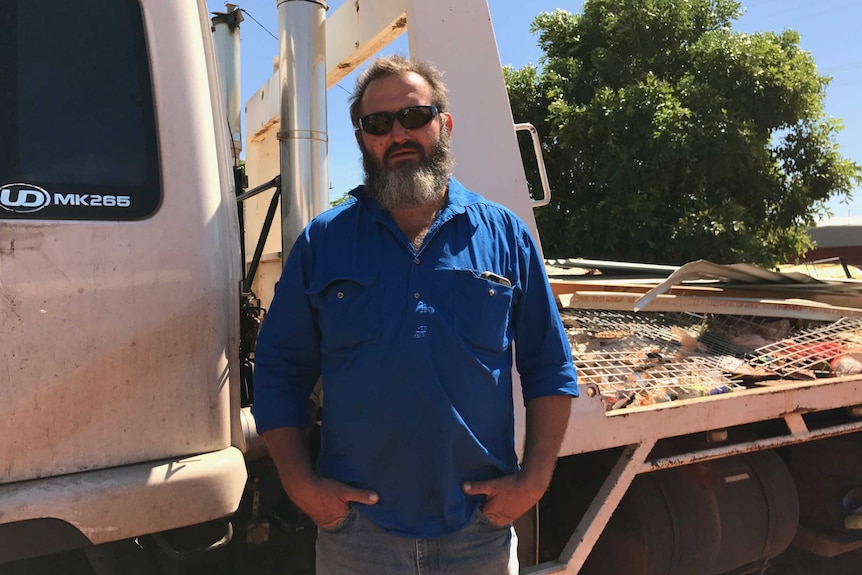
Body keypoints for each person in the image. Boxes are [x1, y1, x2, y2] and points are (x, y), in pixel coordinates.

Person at [252, 55, 578, 575]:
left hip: (478, 531)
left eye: (414, 117)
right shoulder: (324, 242)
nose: (398, 134)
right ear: (363, 140)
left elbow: (550, 368)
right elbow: (279, 371)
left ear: (443, 125)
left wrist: (533, 481)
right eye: (378, 124)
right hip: (358, 535)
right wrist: (301, 486)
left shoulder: (506, 236)